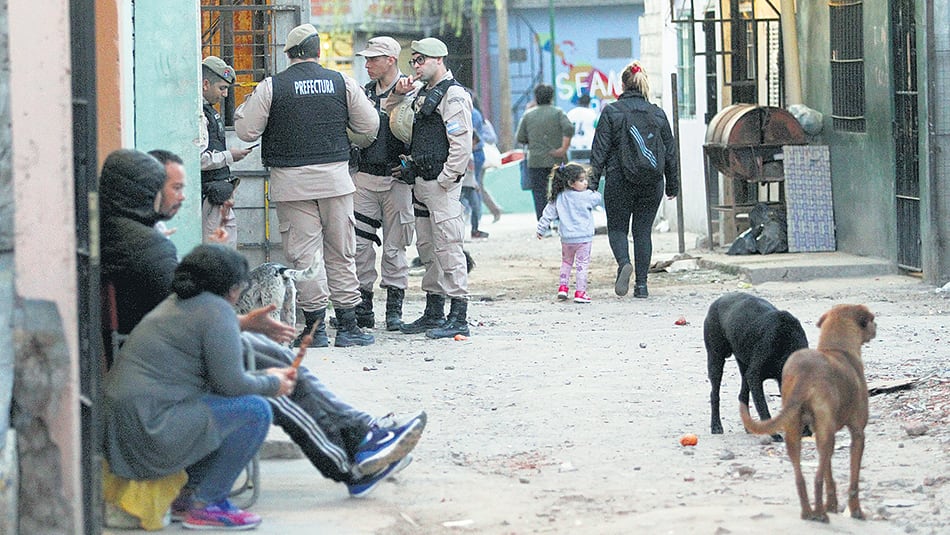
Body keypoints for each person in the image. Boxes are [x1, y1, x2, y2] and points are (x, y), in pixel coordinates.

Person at [99, 149, 427, 500]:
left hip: (170, 356)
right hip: (172, 370)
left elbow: (187, 312)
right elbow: (192, 316)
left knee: (278, 360)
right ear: (143, 192)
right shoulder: (146, 246)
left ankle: (362, 434)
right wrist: (255, 352)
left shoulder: (125, 233)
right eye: (171, 188)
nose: (181, 196)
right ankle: (352, 465)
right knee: (274, 388)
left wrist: (241, 323)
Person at [104, 244, 296, 530]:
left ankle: (188, 494)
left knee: (225, 407)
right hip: (151, 425)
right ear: (232, 288)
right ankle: (209, 503)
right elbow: (231, 385)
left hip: (130, 423)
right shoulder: (216, 311)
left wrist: (264, 375)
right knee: (255, 411)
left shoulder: (179, 304)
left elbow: (221, 379)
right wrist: (272, 382)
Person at [234, 23, 379, 347]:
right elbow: (369, 124)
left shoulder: (273, 86)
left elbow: (245, 131)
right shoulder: (341, 82)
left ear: (288, 54)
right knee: (341, 252)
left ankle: (316, 330)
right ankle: (349, 327)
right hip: (335, 181)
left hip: (292, 184)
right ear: (318, 51)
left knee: (305, 257)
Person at [388, 37, 474, 339]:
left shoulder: (453, 95)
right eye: (413, 60)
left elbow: (461, 144)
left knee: (449, 248)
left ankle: (458, 315)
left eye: (421, 60)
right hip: (422, 182)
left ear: (439, 59)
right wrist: (399, 94)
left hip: (440, 184)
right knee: (428, 249)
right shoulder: (421, 93)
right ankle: (434, 311)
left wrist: (447, 179)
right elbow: (396, 120)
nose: (415, 65)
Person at [588, 60, 679, 298]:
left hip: (619, 179)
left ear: (622, 85)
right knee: (642, 232)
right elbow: (670, 152)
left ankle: (624, 263)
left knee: (618, 229)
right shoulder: (657, 113)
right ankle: (642, 285)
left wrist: (592, 183)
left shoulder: (612, 112)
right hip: (652, 181)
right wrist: (672, 185)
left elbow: (599, 150)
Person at [350, 36, 414, 331]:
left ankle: (393, 310)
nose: (368, 64)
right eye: (366, 59)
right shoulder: (363, 94)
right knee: (359, 246)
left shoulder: (412, 91)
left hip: (397, 179)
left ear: (391, 60)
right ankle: (362, 308)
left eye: (373, 59)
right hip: (365, 177)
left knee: (395, 247)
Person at [200, 56, 251, 248]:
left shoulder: (209, 111)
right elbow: (198, 160)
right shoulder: (199, 114)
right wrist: (229, 156)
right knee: (217, 253)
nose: (225, 94)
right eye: (221, 88)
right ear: (206, 84)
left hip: (220, 195)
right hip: (210, 197)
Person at [536, 162, 602, 303]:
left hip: (566, 239)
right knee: (582, 265)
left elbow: (547, 214)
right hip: (584, 238)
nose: (585, 183)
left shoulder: (559, 197)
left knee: (566, 262)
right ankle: (580, 292)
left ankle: (563, 288)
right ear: (571, 183)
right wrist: (592, 191)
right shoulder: (587, 196)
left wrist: (541, 229)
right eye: (581, 180)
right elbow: (598, 198)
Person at [515, 84, 574, 223]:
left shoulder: (528, 115)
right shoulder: (558, 113)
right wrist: (563, 149)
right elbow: (569, 129)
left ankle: (544, 223)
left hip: (536, 160)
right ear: (552, 97)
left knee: (539, 192)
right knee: (560, 190)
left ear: (536, 97)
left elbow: (520, 138)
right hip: (557, 159)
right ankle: (559, 220)